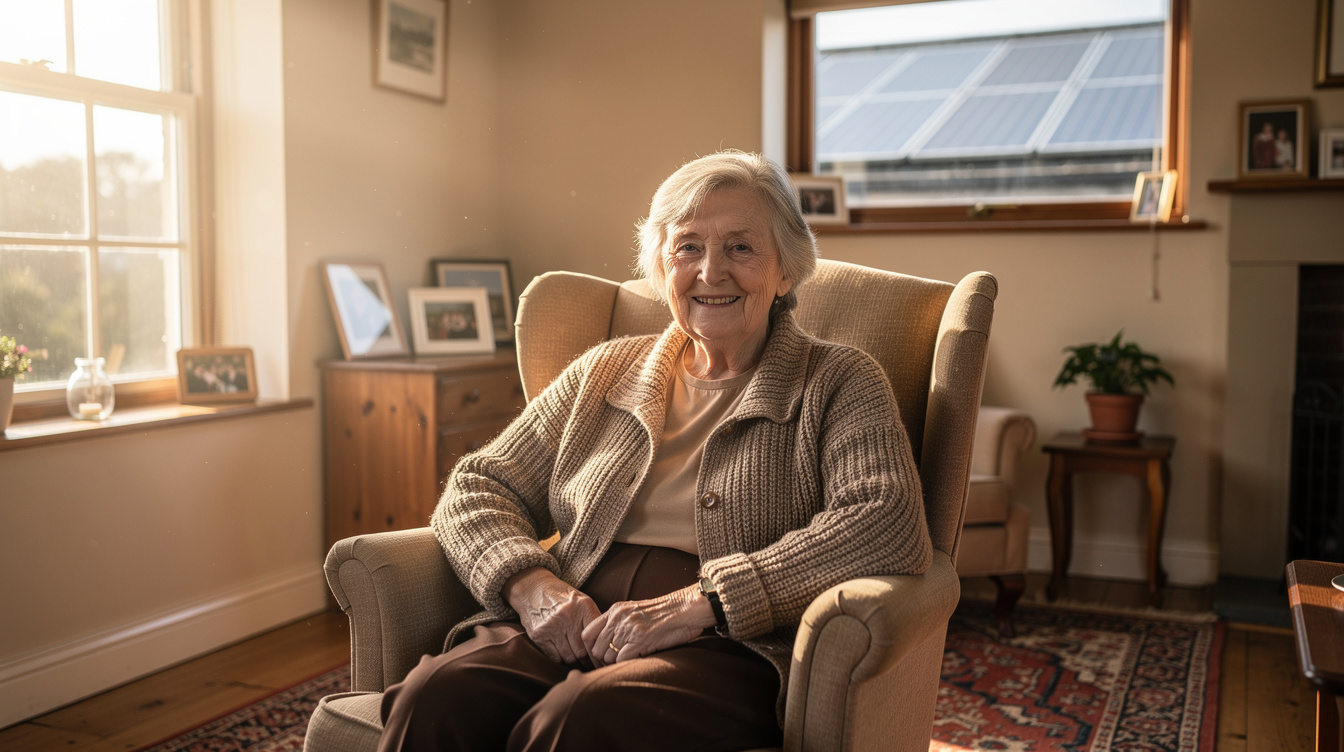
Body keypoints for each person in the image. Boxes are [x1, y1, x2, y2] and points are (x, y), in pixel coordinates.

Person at [377, 150, 933, 752]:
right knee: (437, 693)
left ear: (787, 271)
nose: (710, 272)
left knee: (581, 719)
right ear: (660, 266)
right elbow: (478, 485)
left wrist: (709, 600)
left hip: (723, 643)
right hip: (577, 616)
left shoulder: (840, 380)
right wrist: (531, 585)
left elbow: (886, 520)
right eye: (687, 247)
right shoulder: (606, 369)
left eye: (741, 248)